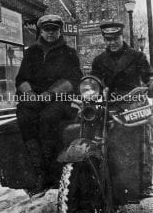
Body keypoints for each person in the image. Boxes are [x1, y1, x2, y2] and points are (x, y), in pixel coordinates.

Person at [15, 14, 82, 193]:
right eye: (46, 30)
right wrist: (28, 93)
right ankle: (38, 170)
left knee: (48, 118)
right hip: (35, 99)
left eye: (54, 30)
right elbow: (21, 78)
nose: (50, 33)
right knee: (24, 116)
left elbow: (74, 80)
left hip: (60, 100)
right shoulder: (31, 53)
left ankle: (51, 171)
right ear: (41, 31)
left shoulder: (69, 53)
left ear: (59, 31)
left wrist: (51, 93)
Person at [91, 21, 153, 202]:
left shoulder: (137, 56)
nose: (112, 42)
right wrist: (93, 89)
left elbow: (147, 76)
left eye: (115, 38)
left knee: (139, 138)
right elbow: (94, 80)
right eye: (108, 39)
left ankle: (143, 183)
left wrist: (150, 83)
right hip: (112, 102)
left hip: (134, 101)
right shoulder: (100, 60)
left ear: (122, 36)